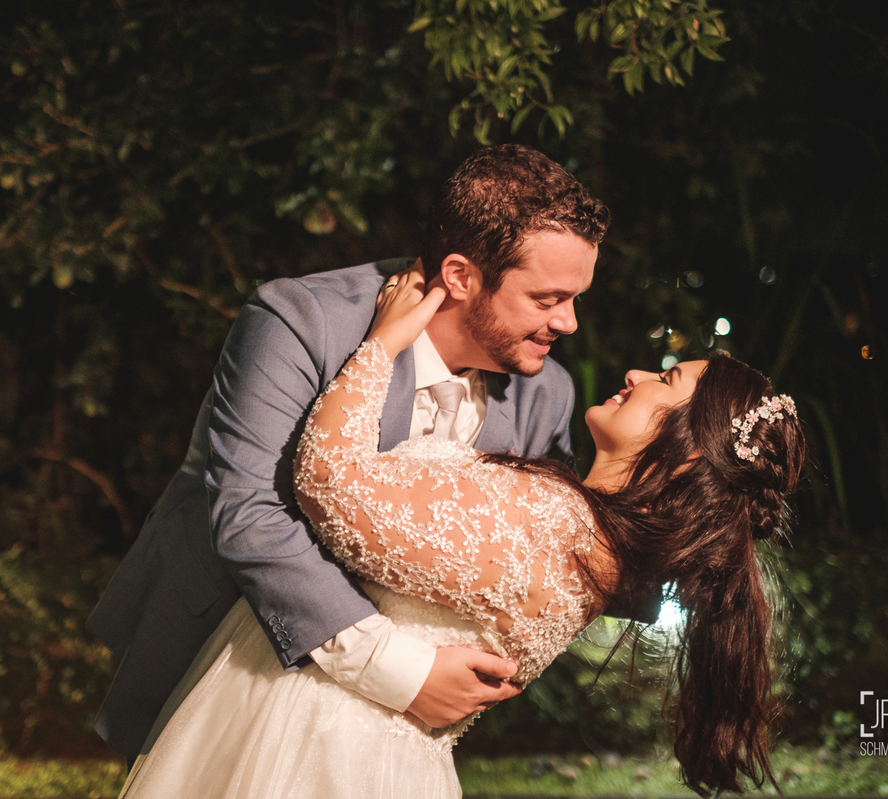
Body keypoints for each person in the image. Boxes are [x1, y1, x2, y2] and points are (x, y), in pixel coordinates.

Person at [119, 267, 806, 799]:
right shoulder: (604, 551)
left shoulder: (554, 518)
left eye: (666, 379)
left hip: (316, 743)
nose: (636, 373)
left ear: (688, 452)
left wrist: (383, 344)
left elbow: (328, 482)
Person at [87, 144, 615, 765]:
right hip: (235, 663)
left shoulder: (547, 392)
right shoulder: (302, 320)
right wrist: (400, 672)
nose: (568, 322)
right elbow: (249, 512)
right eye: (547, 299)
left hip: (388, 737)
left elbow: (543, 562)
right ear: (460, 276)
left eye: (576, 298)